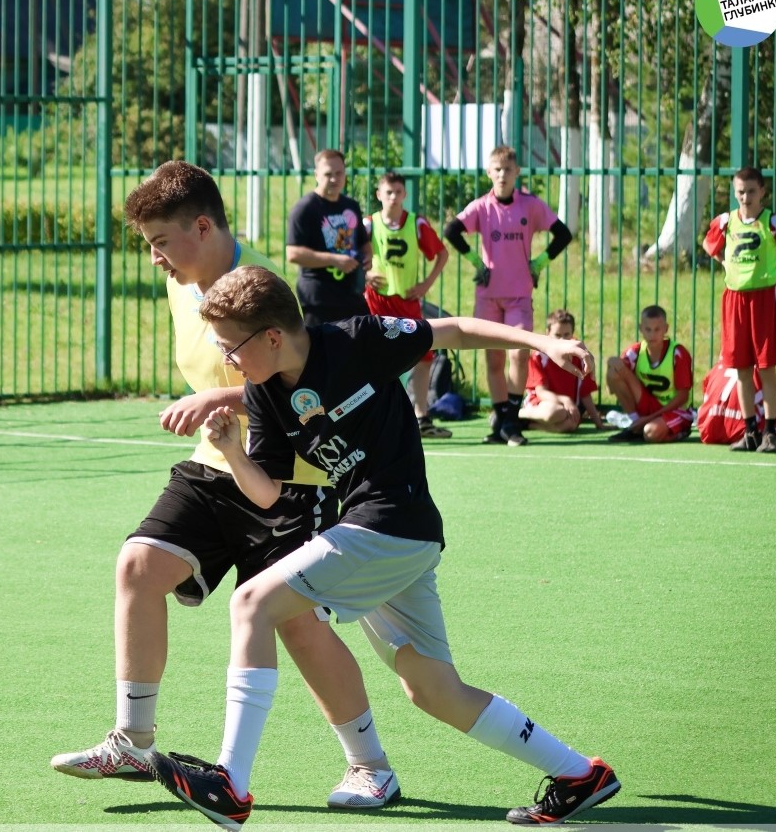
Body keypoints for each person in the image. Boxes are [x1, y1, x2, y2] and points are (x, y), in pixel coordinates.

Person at [149, 265, 620, 830]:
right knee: (433, 690)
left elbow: (457, 332)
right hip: (388, 537)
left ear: (272, 336)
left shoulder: (357, 339)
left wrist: (543, 340)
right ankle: (578, 775)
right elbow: (270, 497)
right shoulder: (265, 394)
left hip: (393, 524)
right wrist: (234, 452)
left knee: (251, 603)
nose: (225, 360)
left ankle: (231, 781)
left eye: (230, 346)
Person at [50, 162, 399, 810]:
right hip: (218, 462)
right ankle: (132, 739)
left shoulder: (264, 286)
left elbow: (302, 381)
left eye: (160, 242)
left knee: (298, 628)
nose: (154, 258)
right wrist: (214, 411)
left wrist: (220, 393)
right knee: (138, 566)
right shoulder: (181, 284)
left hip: (292, 481)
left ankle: (371, 765)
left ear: (202, 227)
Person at [442, 145, 575, 447]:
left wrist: (538, 264)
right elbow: (451, 231)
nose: (502, 175)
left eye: (508, 170)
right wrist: (477, 262)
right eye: (497, 169)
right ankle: (500, 420)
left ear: (517, 173)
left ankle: (513, 420)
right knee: (493, 359)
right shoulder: (481, 207)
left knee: (519, 353)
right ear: (489, 173)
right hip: (488, 296)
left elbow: (563, 234)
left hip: (518, 295)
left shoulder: (530, 205)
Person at [701, 166, 776, 452]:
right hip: (735, 300)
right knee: (742, 370)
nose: (745, 198)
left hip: (764, 299)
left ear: (763, 192)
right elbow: (710, 246)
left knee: (767, 367)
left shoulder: (772, 221)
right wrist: (725, 263)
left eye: (751, 192)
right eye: (740, 192)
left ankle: (770, 431)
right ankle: (750, 432)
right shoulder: (726, 221)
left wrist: (774, 262)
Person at [363, 170, 452, 438]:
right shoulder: (368, 224)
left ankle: (421, 415)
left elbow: (442, 253)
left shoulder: (416, 224)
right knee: (376, 358)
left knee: (424, 355)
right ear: (379, 195)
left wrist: (425, 285)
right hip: (376, 301)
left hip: (407, 302)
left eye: (398, 192)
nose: (393, 197)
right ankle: (374, 415)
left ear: (405, 194)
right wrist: (365, 274)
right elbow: (349, 254)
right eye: (388, 192)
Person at [286, 149, 372, 326]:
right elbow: (293, 253)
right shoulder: (305, 208)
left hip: (352, 296)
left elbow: (364, 243)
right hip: (319, 299)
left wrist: (367, 258)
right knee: (321, 352)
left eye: (339, 173)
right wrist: (334, 260)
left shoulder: (351, 206)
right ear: (316, 175)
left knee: (361, 349)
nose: (334, 179)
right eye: (328, 174)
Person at [603, 305, 695, 444]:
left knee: (651, 433)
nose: (652, 335)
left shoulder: (678, 353)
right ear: (641, 329)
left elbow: (683, 396)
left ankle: (679, 431)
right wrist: (611, 363)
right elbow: (610, 387)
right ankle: (634, 425)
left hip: (674, 410)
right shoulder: (635, 351)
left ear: (666, 329)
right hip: (646, 406)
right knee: (615, 367)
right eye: (648, 329)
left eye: (657, 329)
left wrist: (648, 418)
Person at [517, 309, 608, 433]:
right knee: (555, 412)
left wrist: (598, 423)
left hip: (566, 408)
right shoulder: (538, 356)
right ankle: (519, 413)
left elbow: (585, 394)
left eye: (567, 335)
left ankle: (528, 425)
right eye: (557, 335)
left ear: (572, 333)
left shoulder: (579, 357)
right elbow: (541, 393)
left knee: (571, 424)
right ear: (547, 333)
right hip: (542, 404)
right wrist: (565, 400)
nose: (562, 340)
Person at [696, 359, 776, 446]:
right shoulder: (763, 373)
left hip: (709, 430)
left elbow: (706, 400)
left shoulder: (715, 369)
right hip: (742, 431)